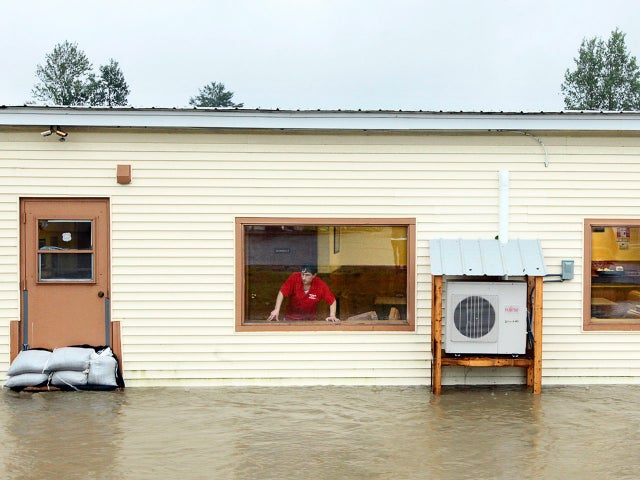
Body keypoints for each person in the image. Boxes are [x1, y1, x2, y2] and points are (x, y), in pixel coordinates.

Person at [267, 264, 340, 323]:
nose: (303, 277)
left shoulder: (320, 284)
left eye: (307, 275)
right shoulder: (294, 277)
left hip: (309, 321)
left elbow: (332, 301)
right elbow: (282, 292)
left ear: (314, 275)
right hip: (290, 320)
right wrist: (276, 309)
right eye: (302, 274)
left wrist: (332, 315)